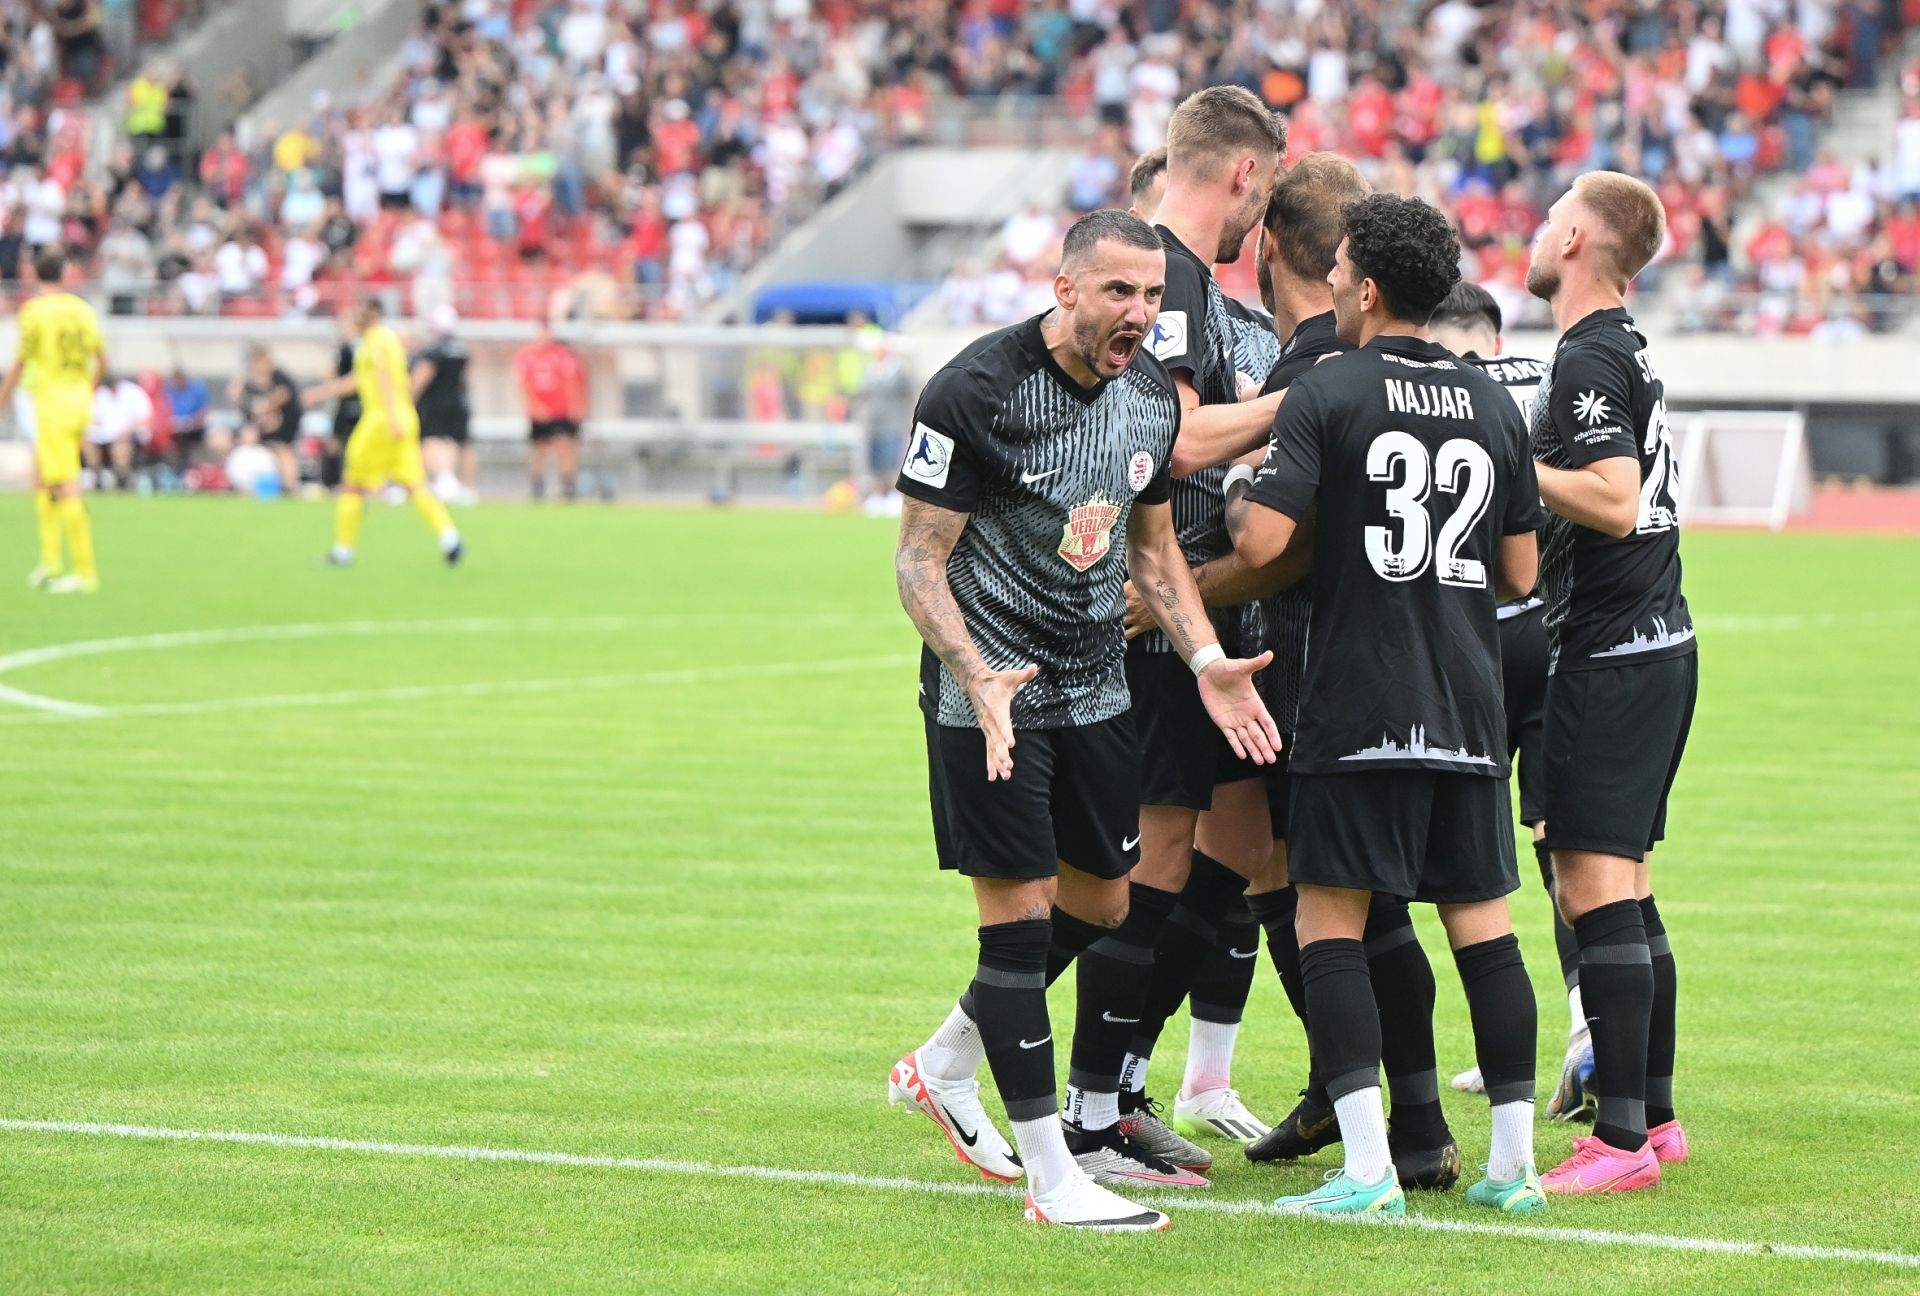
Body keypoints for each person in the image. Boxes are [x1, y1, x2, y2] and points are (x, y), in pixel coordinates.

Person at [886, 209, 1280, 1231]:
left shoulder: (1147, 395)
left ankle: (946, 1061)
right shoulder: (975, 390)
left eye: (1150, 295)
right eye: (1117, 292)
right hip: (991, 696)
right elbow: (919, 560)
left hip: (1100, 690)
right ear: (1064, 289)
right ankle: (1054, 1181)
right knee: (1017, 925)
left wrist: (1206, 662)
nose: (1139, 313)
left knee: (1104, 903)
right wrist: (973, 673)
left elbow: (1153, 553)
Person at [1232, 193, 1546, 1217]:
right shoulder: (1491, 401)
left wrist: (1251, 494)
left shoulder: (1327, 387)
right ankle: (1514, 1169)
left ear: (1366, 288)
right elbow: (1520, 571)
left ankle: (1369, 1170)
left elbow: (1263, 545)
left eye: (1338, 270)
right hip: (1467, 702)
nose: (1328, 282)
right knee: (1485, 930)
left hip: (1359, 697)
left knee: (1328, 922)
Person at [1108, 86, 1286, 1171]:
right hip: (1155, 615)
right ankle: (1065, 1085)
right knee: (1147, 863)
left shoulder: (1193, 282)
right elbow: (1175, 443)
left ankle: (1129, 1085)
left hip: (1190, 613)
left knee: (1226, 844)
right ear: (1245, 173)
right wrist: (1307, 401)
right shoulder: (1169, 269)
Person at [1524, 171, 1696, 1194]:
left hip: (1613, 650)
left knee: (1590, 884)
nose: (1538, 231)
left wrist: (1508, 457)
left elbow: (1614, 498)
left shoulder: (1589, 351)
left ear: (1576, 239)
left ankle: (1620, 1141)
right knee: (1625, 884)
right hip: (1658, 642)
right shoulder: (1621, 344)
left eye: (1551, 219)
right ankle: (1655, 1119)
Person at [1429, 281, 1595, 1119]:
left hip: (1473, 636)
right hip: (1554, 634)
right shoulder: (1549, 374)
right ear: (1495, 334)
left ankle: (1505, 1058)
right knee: (1562, 841)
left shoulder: (1436, 387)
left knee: (1469, 849)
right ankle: (1587, 1031)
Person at [301, 298, 463, 567]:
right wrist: (322, 392)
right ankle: (450, 538)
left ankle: (343, 551)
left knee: (353, 484)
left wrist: (390, 417)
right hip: (403, 417)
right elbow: (362, 380)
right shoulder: (386, 339)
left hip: (381, 421)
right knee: (415, 484)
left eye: (360, 310)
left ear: (373, 314)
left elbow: (383, 377)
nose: (354, 316)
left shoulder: (375, 342)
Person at [0, 249, 105, 593]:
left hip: (51, 403)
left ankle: (84, 571)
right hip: (79, 400)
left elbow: (21, 361)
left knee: (65, 481)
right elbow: (101, 359)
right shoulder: (83, 309)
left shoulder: (35, 312)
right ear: (65, 275)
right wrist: (87, 389)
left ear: (35, 275)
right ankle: (51, 560)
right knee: (44, 476)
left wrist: (2, 399)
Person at [515, 317, 587, 501]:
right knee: (538, 448)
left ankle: (568, 486)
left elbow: (571, 381)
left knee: (564, 446)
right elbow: (523, 384)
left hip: (560, 410)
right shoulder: (526, 355)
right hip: (539, 411)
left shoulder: (562, 354)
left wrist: (576, 405)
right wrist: (534, 406)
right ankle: (537, 486)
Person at [413, 305, 475, 504]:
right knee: (459, 443)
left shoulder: (433, 351)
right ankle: (466, 487)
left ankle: (445, 479)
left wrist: (410, 398)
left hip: (435, 404)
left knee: (432, 440)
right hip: (458, 401)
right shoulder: (461, 349)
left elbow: (423, 375)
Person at [232, 344, 301, 495]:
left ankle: (290, 485)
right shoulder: (249, 381)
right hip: (256, 429)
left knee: (283, 451)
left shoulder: (279, 377)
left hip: (282, 430)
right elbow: (236, 397)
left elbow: (283, 395)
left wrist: (265, 409)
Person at [84, 372, 154, 489]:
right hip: (106, 433)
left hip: (130, 432)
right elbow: (95, 418)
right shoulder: (102, 393)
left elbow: (145, 418)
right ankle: (95, 474)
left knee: (121, 442)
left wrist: (127, 429)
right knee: (87, 440)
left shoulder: (133, 392)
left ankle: (121, 475)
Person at [162, 366, 210, 466]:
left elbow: (205, 408)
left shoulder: (196, 389)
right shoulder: (169, 391)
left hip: (195, 429)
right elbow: (164, 410)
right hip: (174, 429)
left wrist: (194, 420)